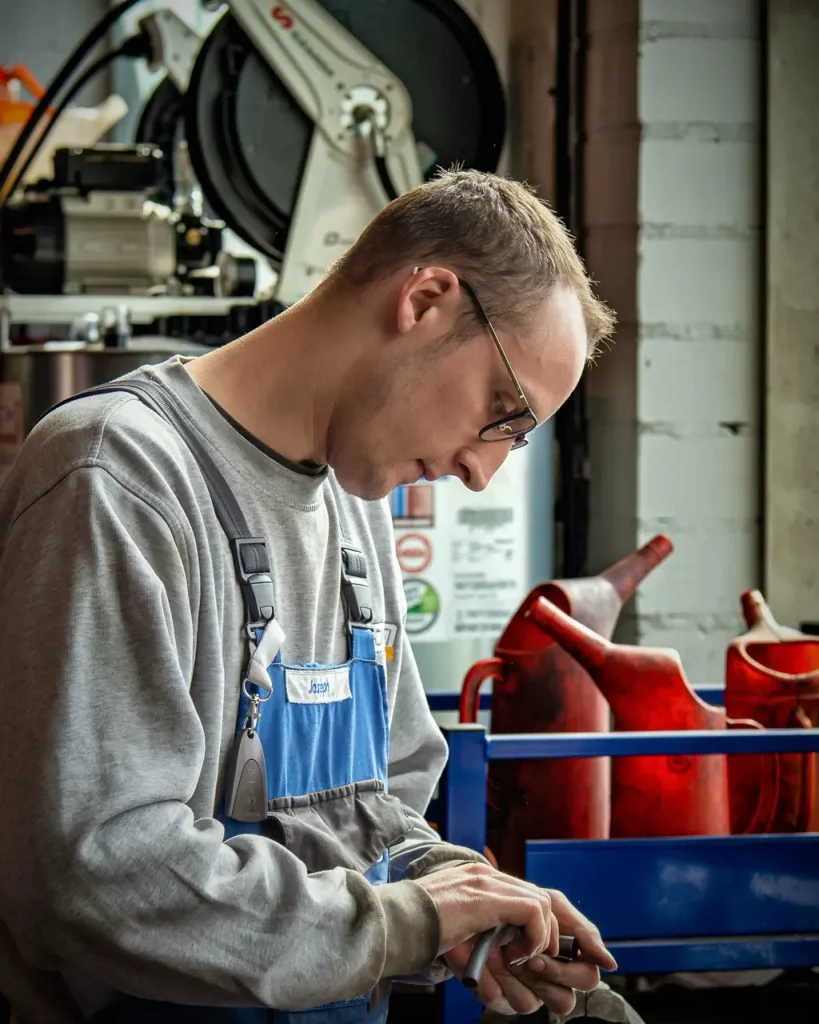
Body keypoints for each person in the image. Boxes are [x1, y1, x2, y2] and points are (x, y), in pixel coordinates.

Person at [0, 170, 617, 1024]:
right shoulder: (119, 473)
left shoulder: (354, 510)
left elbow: (381, 805)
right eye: (501, 412)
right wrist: (407, 920)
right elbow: (104, 872)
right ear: (426, 298)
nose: (482, 472)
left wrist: (465, 905)